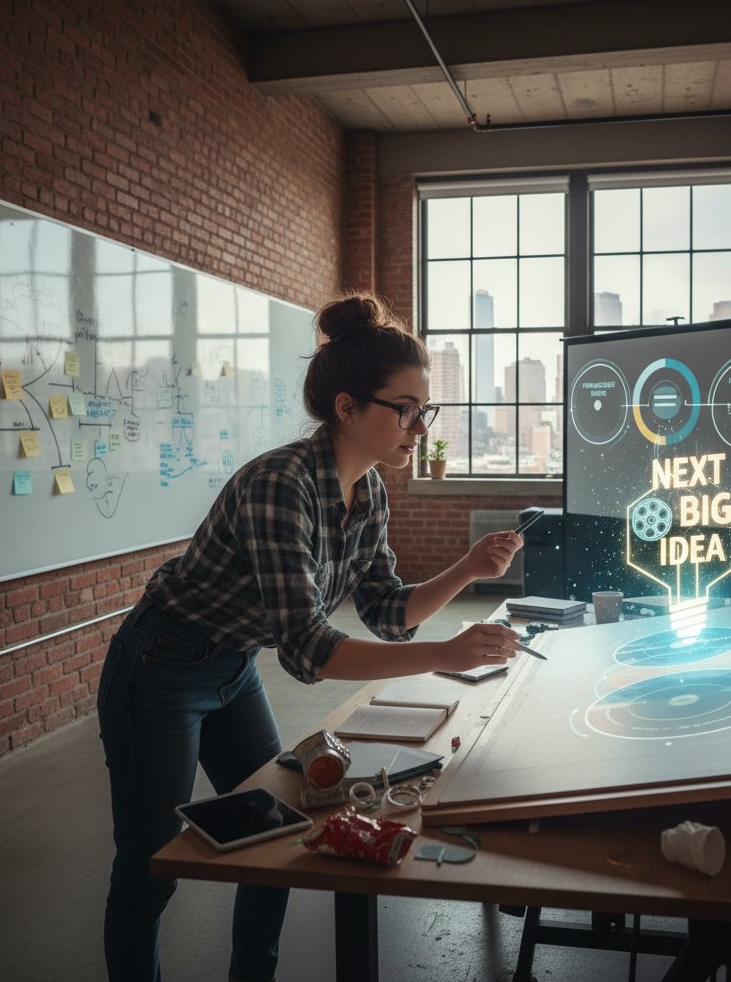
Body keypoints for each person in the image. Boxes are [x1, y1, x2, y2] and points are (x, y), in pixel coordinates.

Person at [97, 293, 524, 982]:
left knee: (277, 825)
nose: (419, 427)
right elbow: (308, 650)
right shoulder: (280, 485)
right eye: (405, 408)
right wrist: (445, 654)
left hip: (232, 664)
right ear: (348, 408)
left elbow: (387, 611)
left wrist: (469, 569)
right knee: (151, 862)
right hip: (160, 665)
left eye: (426, 411)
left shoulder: (371, 491)